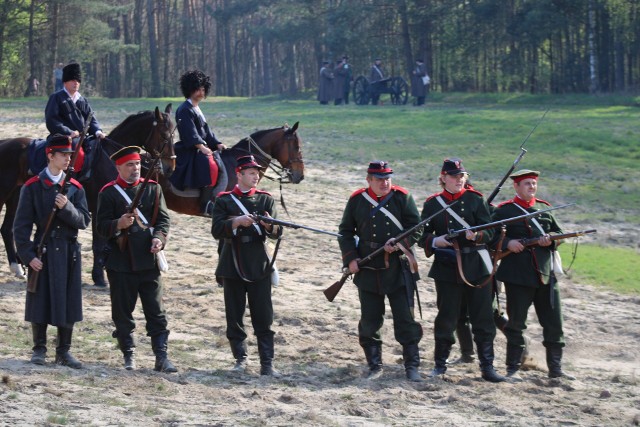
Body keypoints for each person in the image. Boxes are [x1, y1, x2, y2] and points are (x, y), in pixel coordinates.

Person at [417, 158, 504, 383]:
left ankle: (487, 366)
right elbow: (420, 235)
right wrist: (438, 240)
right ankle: (440, 365)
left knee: (483, 317)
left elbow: (491, 232)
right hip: (447, 267)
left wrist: (477, 236)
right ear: (443, 177)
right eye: (454, 176)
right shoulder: (433, 204)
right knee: (446, 317)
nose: (459, 180)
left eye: (462, 176)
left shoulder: (476, 200)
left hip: (476, 265)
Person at [338, 161, 423, 381]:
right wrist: (351, 259)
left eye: (387, 178)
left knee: (405, 318)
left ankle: (411, 366)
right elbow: (345, 232)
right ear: (369, 180)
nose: (385, 183)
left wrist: (400, 243)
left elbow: (417, 228)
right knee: (370, 319)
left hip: (398, 267)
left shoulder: (402, 197)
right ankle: (374, 365)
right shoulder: (357, 200)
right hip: (367, 268)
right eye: (379, 179)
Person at [96, 146, 177, 373]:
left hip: (148, 261)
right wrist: (117, 225)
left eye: (138, 164)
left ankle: (161, 357)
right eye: (130, 165)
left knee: (156, 312)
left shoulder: (153, 189)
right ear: (118, 167)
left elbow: (163, 221)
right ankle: (128, 355)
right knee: (122, 312)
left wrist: (159, 239)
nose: (135, 168)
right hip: (121, 263)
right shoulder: (108, 193)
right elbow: (101, 227)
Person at [13, 135, 91, 369]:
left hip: (68, 252)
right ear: (50, 155)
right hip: (43, 252)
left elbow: (84, 220)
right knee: (40, 300)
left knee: (68, 302)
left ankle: (64, 351)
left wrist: (66, 207)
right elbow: (21, 227)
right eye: (64, 154)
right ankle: (39, 349)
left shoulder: (75, 189)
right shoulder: (33, 187)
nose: (69, 158)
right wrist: (29, 257)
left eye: (70, 154)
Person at [492, 169, 574, 381]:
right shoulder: (504, 211)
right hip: (518, 276)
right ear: (516, 186)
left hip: (546, 275)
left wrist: (551, 240)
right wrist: (508, 243)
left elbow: (559, 234)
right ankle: (512, 368)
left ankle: (555, 370)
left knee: (554, 323)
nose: (531, 187)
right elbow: (489, 236)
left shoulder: (544, 209)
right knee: (516, 323)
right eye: (527, 183)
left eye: (533, 183)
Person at [211, 155, 283, 377]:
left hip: (259, 262)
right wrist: (236, 222)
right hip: (231, 261)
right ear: (239, 174)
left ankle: (267, 362)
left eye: (257, 173)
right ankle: (240, 358)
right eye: (251, 173)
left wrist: (269, 226)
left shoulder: (265, 200)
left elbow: (278, 232)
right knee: (234, 314)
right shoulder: (223, 200)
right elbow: (216, 230)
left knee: (264, 314)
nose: (256, 176)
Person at [170, 70, 227, 216]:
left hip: (200, 146)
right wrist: (201, 147)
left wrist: (217, 143)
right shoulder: (184, 109)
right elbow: (190, 133)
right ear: (189, 89)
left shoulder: (197, 108)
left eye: (203, 89)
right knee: (211, 166)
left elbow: (206, 131)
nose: (201, 92)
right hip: (189, 148)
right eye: (198, 89)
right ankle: (205, 204)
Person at [44, 62, 105, 174]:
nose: (76, 83)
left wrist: (97, 131)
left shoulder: (82, 100)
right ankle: (71, 180)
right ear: (65, 82)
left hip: (83, 138)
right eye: (72, 80)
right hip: (63, 137)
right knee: (78, 154)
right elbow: (52, 120)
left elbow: (91, 119)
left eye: (78, 81)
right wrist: (69, 132)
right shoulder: (56, 98)